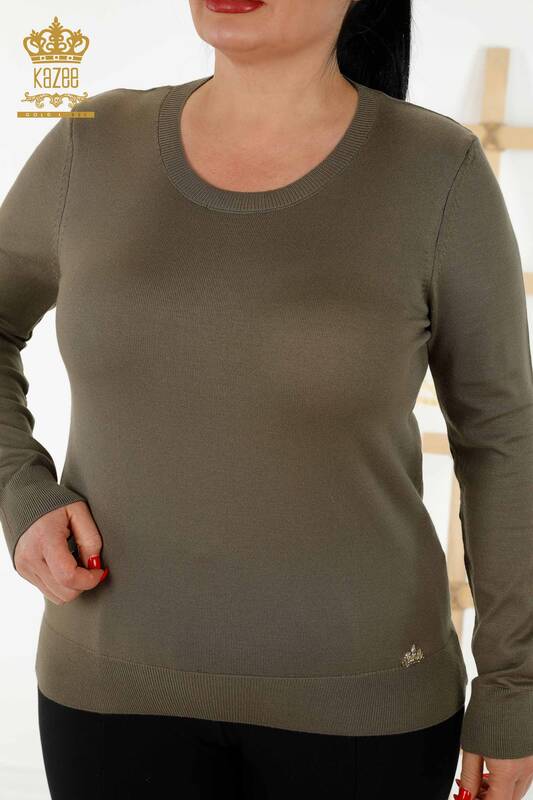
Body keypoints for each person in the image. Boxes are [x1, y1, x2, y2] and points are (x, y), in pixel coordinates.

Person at [1, 0, 532, 797]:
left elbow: (501, 440)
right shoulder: (92, 142)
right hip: (107, 699)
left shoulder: (437, 169)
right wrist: (19, 488)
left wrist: (512, 690)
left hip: (367, 712)